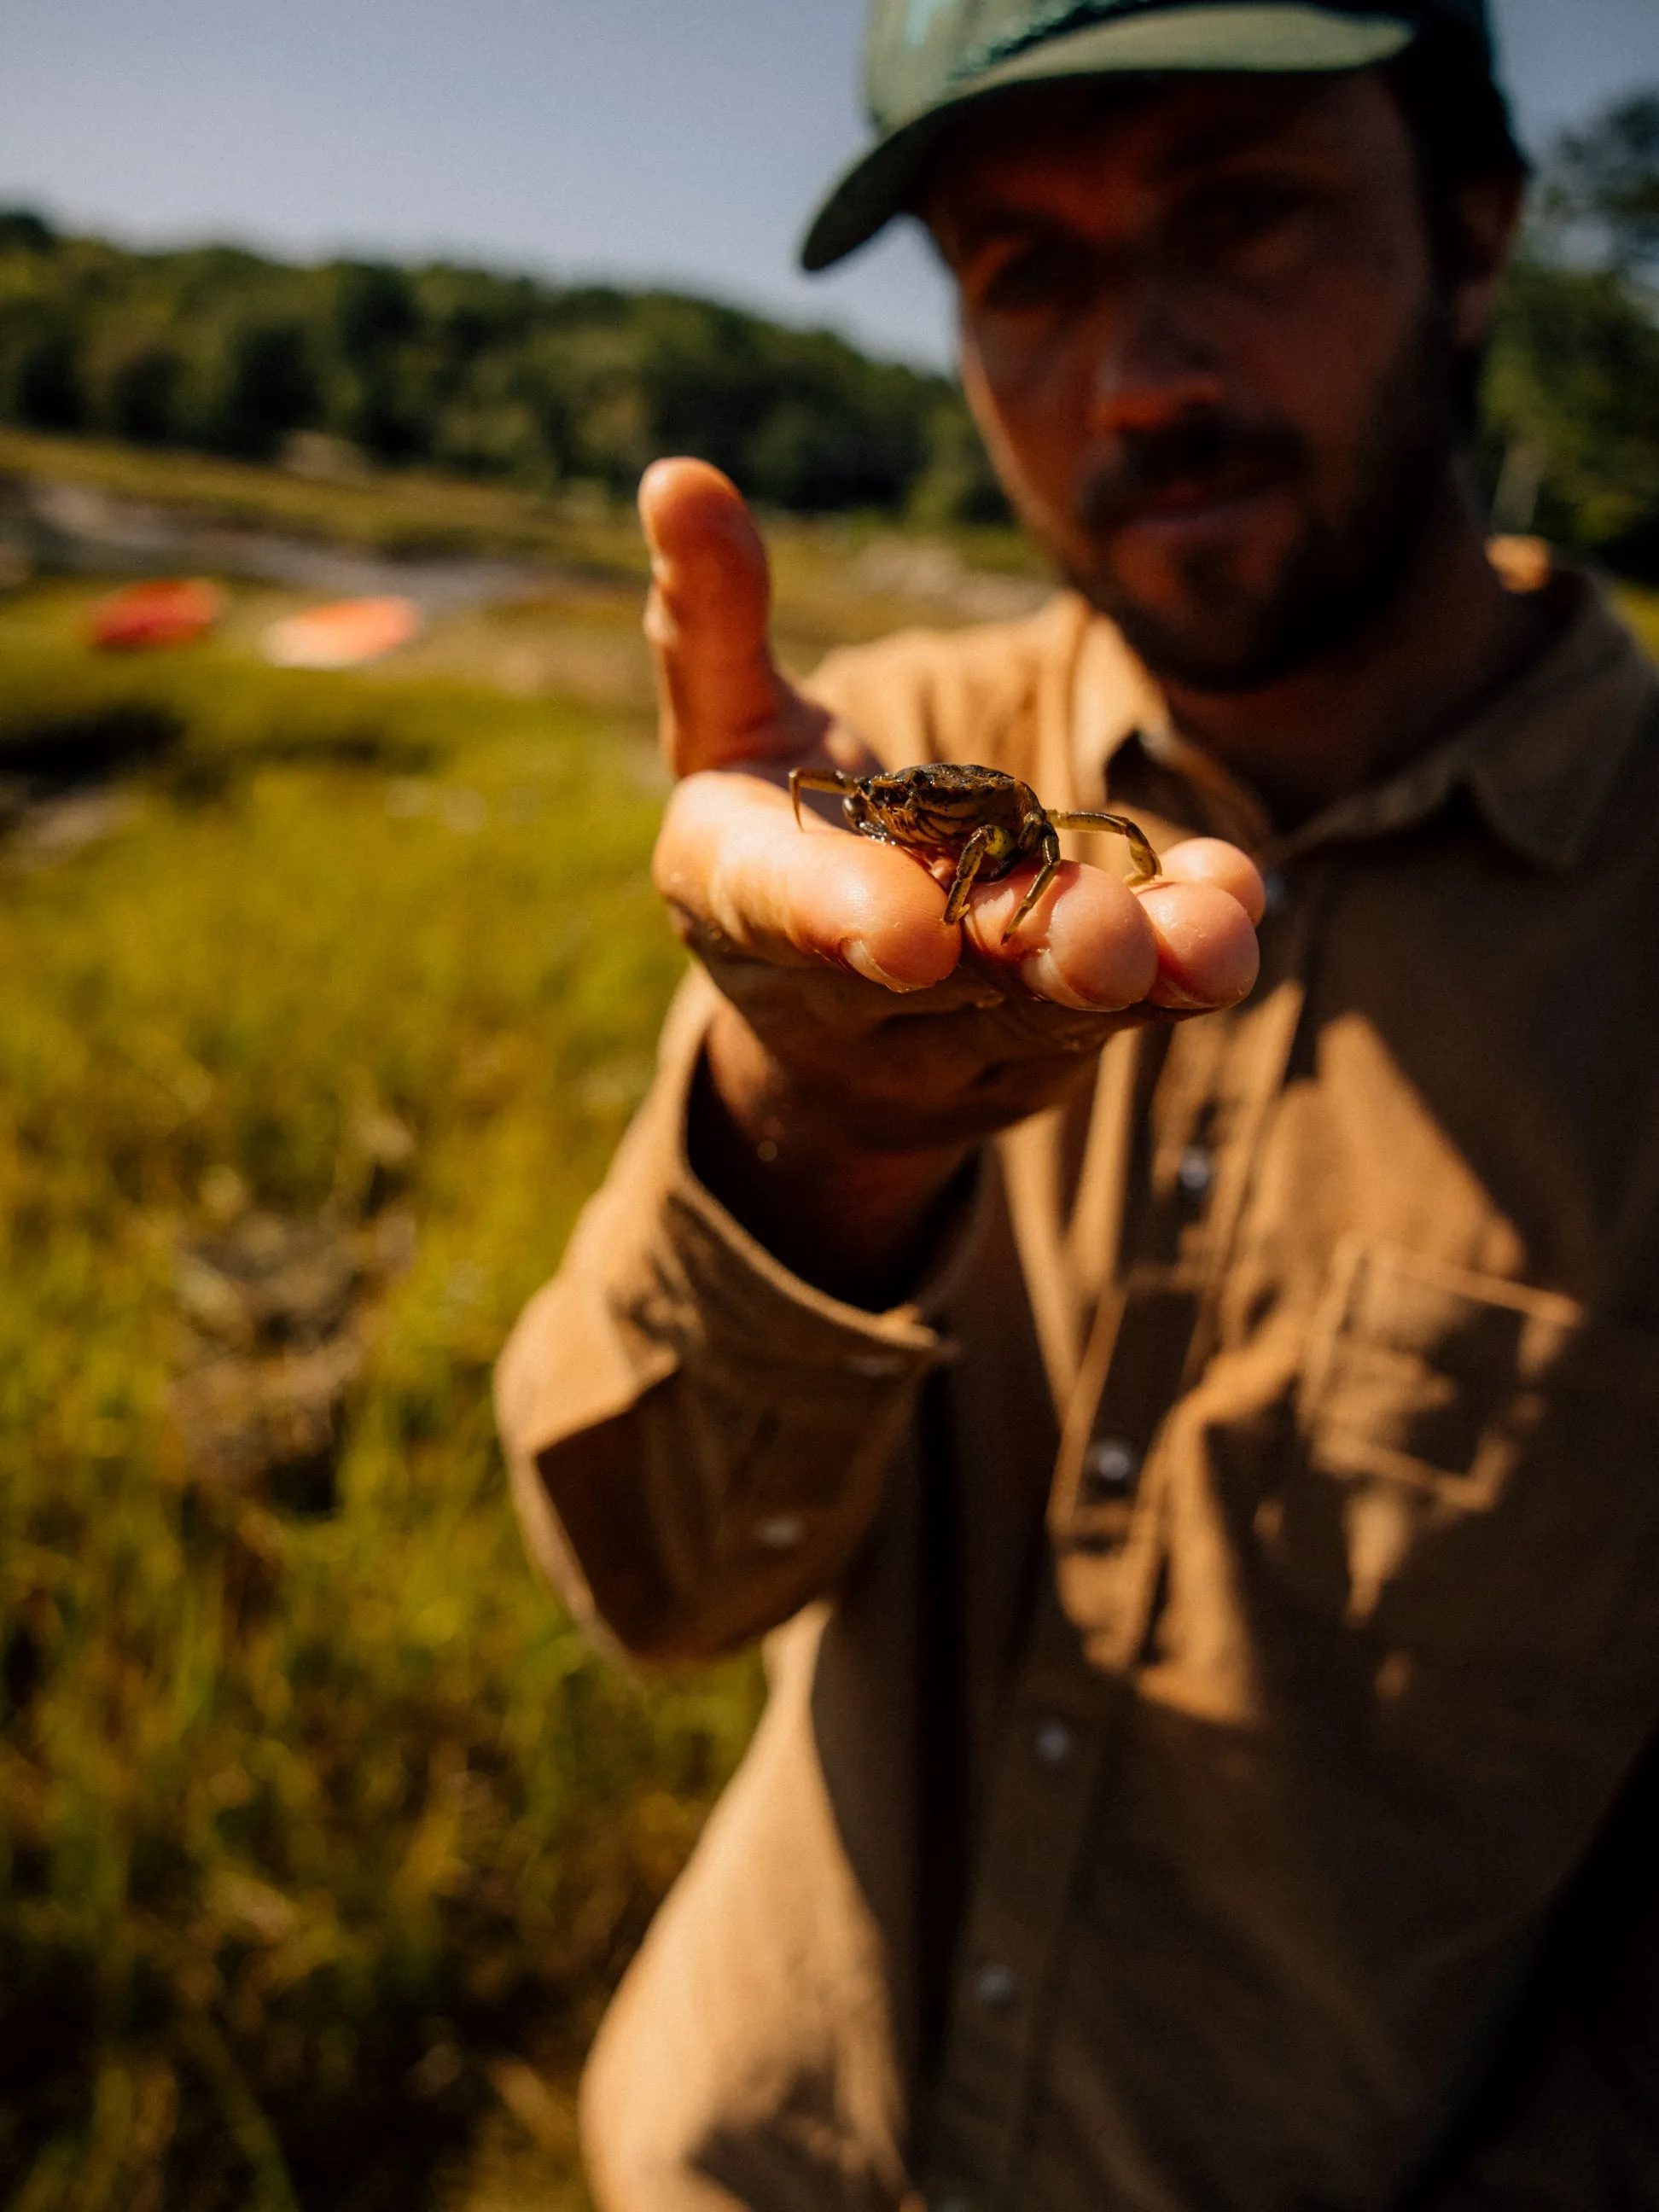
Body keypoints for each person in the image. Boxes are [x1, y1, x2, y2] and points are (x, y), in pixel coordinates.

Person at [497, 0, 1659, 2203]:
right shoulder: (852, 793)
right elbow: (645, 1591)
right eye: (1021, 272)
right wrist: (813, 1126)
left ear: (1480, 234)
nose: (1138, 374)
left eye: (1244, 214)